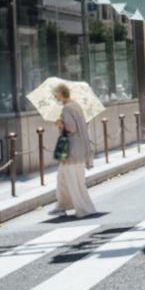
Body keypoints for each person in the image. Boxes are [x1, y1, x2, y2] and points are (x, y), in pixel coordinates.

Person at [50, 82, 96, 218]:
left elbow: (70, 128)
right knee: (62, 178)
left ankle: (84, 209)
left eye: (55, 95)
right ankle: (61, 205)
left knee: (74, 181)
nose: (55, 98)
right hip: (79, 148)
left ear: (61, 94)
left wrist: (59, 124)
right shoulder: (76, 105)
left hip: (71, 150)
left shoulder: (66, 109)